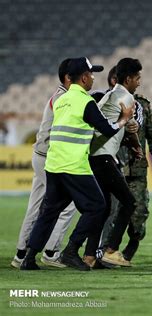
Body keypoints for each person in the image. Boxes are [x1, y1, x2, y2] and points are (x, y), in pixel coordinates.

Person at [20, 57, 134, 271]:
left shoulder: (61, 100)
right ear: (83, 78)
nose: (93, 78)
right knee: (98, 207)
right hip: (74, 166)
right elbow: (108, 129)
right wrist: (124, 118)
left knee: (49, 212)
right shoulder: (85, 102)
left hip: (54, 165)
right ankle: (71, 251)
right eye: (91, 74)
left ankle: (29, 258)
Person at [11, 59, 77, 269]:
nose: (89, 78)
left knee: (36, 205)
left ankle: (21, 254)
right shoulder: (65, 98)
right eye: (86, 74)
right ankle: (50, 251)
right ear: (69, 77)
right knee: (68, 202)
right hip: (50, 158)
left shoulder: (58, 96)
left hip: (40, 154)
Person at [84, 57, 143, 268]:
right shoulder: (126, 98)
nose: (139, 82)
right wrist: (137, 147)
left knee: (104, 206)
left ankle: (89, 256)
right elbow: (131, 126)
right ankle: (111, 250)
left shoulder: (108, 95)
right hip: (105, 158)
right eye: (137, 78)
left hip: (93, 157)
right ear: (128, 79)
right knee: (129, 202)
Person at [102, 93, 152, 263]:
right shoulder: (107, 104)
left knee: (139, 210)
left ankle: (133, 242)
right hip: (114, 167)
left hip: (137, 169)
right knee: (112, 211)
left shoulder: (142, 105)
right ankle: (106, 250)